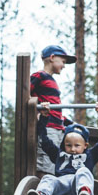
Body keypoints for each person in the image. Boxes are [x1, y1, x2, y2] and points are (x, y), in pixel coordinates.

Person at [27, 104, 98, 195]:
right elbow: (44, 141)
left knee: (83, 171)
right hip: (61, 187)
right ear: (64, 144)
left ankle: (84, 193)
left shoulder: (90, 155)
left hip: (77, 187)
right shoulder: (59, 155)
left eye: (77, 145)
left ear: (85, 145)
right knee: (48, 178)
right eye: (68, 145)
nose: (72, 149)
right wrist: (44, 117)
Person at [30, 44, 76, 175]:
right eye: (63, 61)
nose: (64, 65)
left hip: (57, 127)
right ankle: (41, 191)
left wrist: (67, 122)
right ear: (52, 57)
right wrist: (37, 112)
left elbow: (55, 109)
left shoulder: (51, 80)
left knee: (57, 161)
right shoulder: (39, 76)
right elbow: (24, 94)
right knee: (46, 161)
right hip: (48, 126)